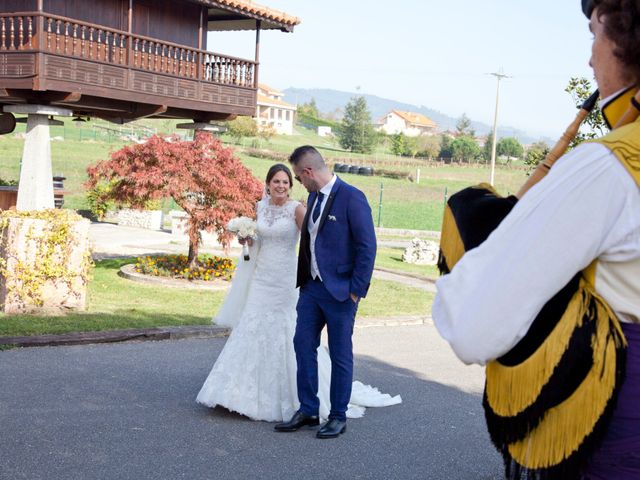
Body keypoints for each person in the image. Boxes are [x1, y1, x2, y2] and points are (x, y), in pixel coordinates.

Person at [433, 0, 640, 478]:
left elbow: (473, 325)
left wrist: (482, 239)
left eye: (594, 33)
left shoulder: (608, 167)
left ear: (628, 38)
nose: (590, 59)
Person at [197, 163, 400, 423]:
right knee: (253, 325)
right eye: (276, 182)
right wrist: (247, 239)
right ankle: (237, 393)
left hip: (286, 278)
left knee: (293, 334)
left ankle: (302, 398)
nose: (280, 186)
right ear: (268, 184)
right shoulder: (260, 208)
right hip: (262, 276)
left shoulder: (298, 209)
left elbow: (314, 240)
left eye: (285, 182)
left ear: (291, 186)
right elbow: (260, 239)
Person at [274, 146, 379, 439]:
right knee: (302, 344)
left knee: (340, 354)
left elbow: (367, 247)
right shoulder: (312, 196)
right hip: (312, 289)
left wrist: (355, 291)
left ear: (308, 172)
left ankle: (337, 416)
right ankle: (308, 409)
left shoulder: (352, 198)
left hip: (341, 293)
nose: (298, 182)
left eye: (298, 176)